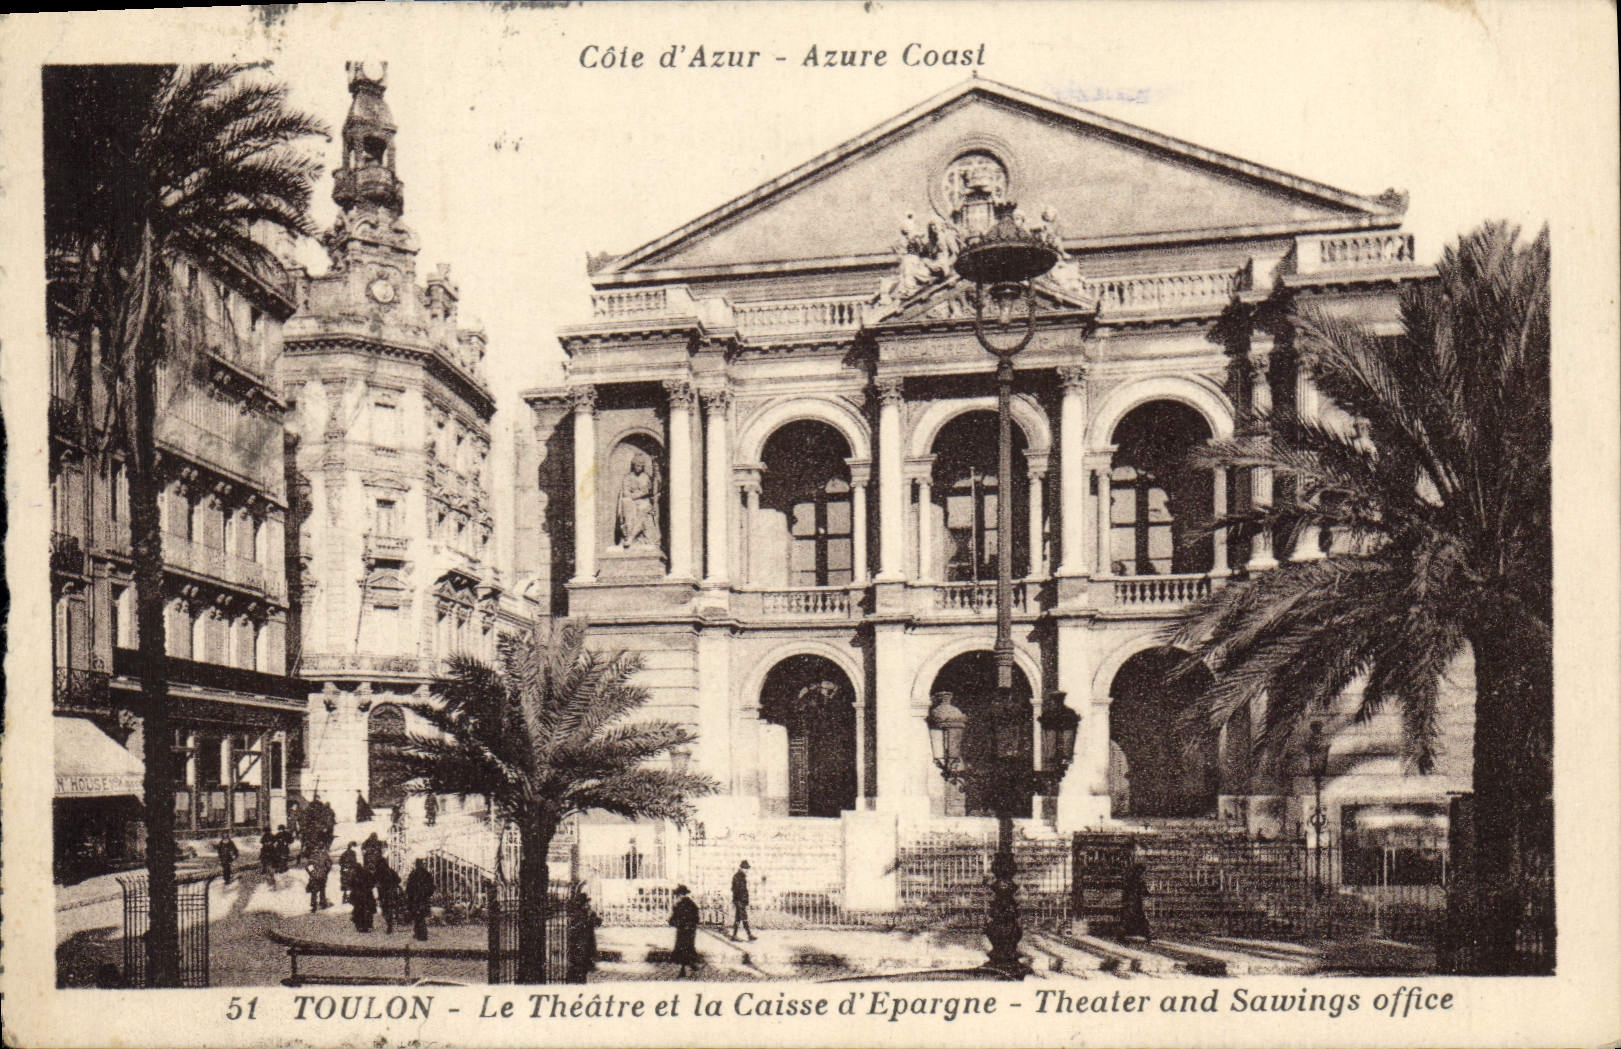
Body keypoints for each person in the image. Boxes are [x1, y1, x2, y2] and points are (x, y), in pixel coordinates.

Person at [566, 888, 602, 984]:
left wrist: (592, 915)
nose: (588, 905)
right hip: (578, 944)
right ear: (582, 904)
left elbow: (598, 923)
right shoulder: (576, 914)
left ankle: (581, 981)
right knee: (578, 966)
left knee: (583, 968)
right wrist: (589, 919)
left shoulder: (588, 913)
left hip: (587, 944)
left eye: (587, 903)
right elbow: (577, 927)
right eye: (586, 903)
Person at [668, 884, 701, 978]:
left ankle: (683, 970)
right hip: (691, 930)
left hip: (682, 930)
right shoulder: (692, 904)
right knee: (689, 947)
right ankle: (690, 965)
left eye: (678, 895)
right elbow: (697, 918)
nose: (677, 897)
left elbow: (673, 920)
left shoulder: (679, 905)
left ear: (680, 895)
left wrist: (673, 922)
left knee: (682, 949)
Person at [1119, 858, 1153, 944]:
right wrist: (1149, 892)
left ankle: (1122, 936)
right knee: (1137, 918)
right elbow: (1144, 891)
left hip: (1131, 902)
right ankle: (1147, 936)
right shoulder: (1139, 880)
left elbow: (1125, 891)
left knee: (1129, 919)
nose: (1142, 873)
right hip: (1135, 902)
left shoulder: (1130, 879)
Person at [405, 858, 435, 941]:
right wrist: (428, 894)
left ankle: (421, 934)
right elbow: (431, 887)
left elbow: (409, 887)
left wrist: (409, 897)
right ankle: (420, 933)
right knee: (421, 916)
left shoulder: (413, 874)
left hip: (415, 899)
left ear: (416, 864)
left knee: (417, 916)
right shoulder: (427, 874)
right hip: (424, 898)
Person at [373, 857, 403, 934]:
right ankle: (391, 922)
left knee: (385, 909)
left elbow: (373, 881)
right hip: (391, 892)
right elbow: (398, 880)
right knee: (391, 907)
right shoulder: (390, 871)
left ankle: (389, 923)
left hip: (383, 893)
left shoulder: (378, 872)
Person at [730, 859, 756, 942]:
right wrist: (740, 900)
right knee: (744, 918)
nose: (747, 870)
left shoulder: (740, 876)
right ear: (742, 868)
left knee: (738, 919)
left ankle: (734, 936)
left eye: (747, 868)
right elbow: (736, 890)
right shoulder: (739, 877)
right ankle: (749, 935)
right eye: (746, 868)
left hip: (740, 901)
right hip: (740, 901)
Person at [350, 861, 376, 933]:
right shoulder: (367, 873)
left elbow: (351, 884)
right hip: (367, 895)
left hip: (357, 895)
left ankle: (359, 926)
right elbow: (372, 883)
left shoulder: (353, 874)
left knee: (358, 910)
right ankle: (368, 926)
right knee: (368, 910)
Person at [306, 845, 332, 912]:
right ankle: (322, 904)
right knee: (322, 889)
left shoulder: (313, 856)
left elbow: (307, 866)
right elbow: (329, 865)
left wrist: (311, 873)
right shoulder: (325, 856)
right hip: (322, 875)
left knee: (314, 891)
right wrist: (326, 872)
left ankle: (314, 905)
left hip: (315, 876)